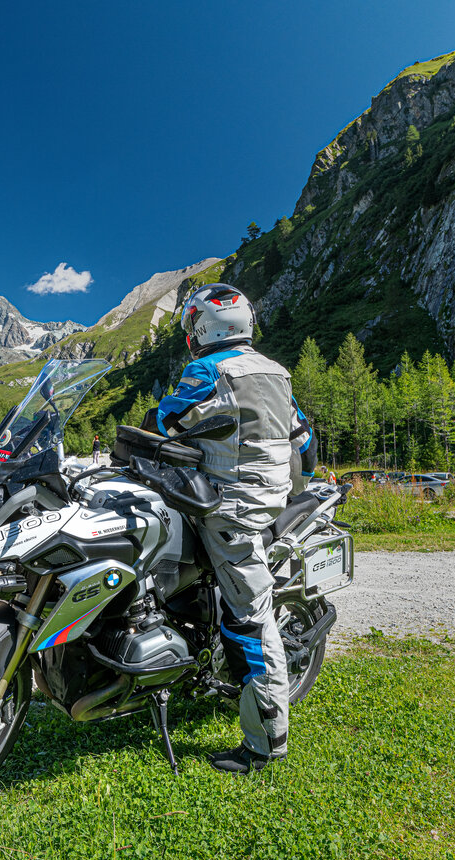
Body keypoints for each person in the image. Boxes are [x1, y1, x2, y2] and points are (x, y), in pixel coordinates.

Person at [154, 283, 316, 774]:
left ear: (199, 330)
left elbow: (164, 422)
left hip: (230, 511)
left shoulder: (205, 369)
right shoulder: (277, 373)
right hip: (267, 501)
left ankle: (268, 742)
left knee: (251, 618)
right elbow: (304, 440)